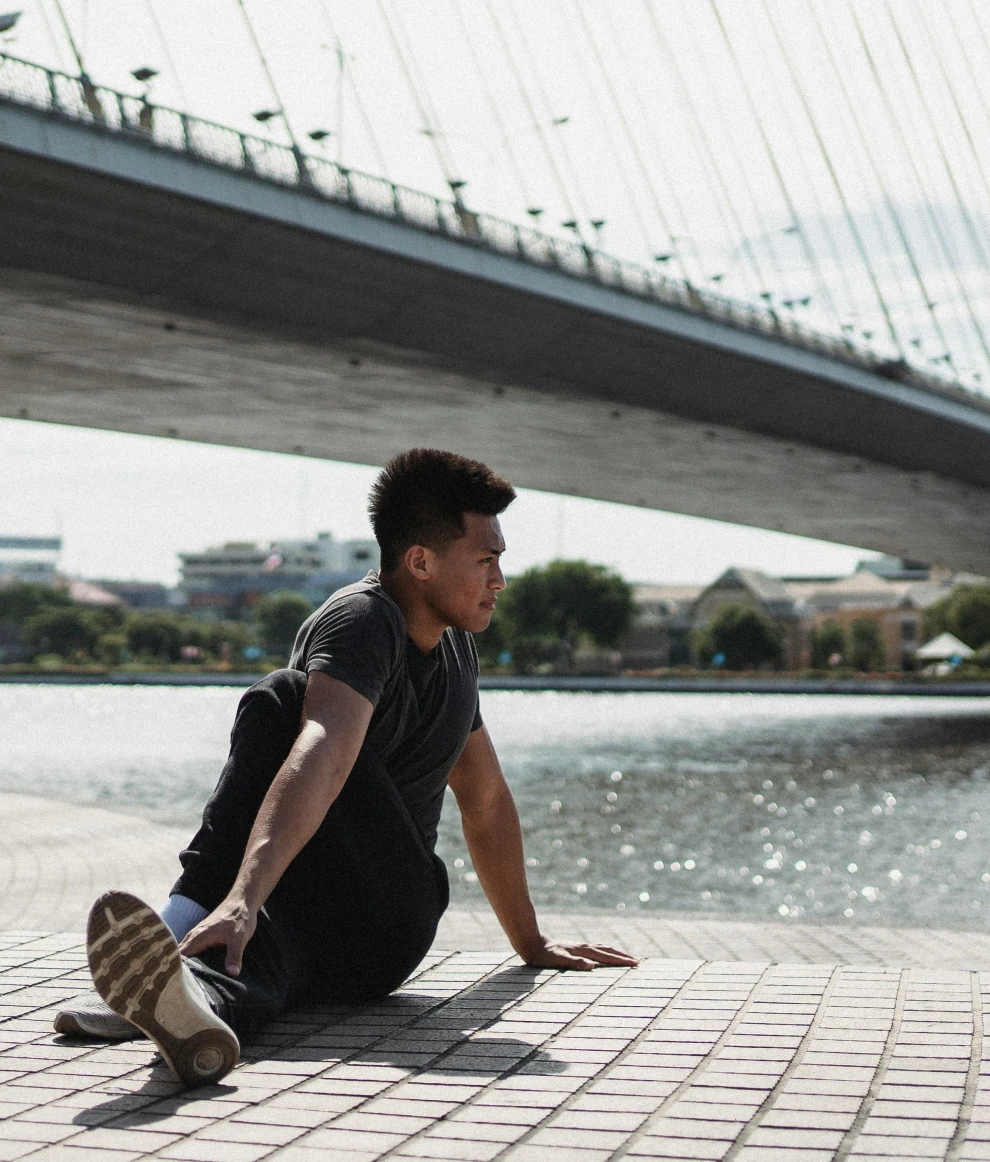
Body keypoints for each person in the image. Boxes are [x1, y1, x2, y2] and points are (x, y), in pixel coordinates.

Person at [61, 447, 636, 1086]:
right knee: (259, 957)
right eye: (486, 559)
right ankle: (182, 1004)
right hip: (359, 943)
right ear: (419, 561)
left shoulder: (454, 650)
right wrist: (248, 908)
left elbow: (482, 797)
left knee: (282, 698)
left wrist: (531, 945)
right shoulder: (364, 622)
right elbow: (327, 757)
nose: (499, 579)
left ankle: (179, 929)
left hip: (394, 899)